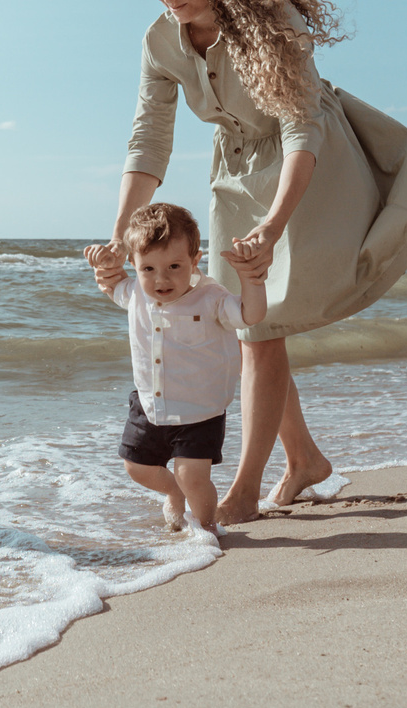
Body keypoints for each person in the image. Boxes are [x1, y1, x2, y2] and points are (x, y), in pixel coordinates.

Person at [110, 0, 407, 525]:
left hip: (312, 166)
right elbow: (149, 140)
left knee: (258, 328)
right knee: (250, 324)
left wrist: (273, 226)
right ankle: (304, 460)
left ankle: (244, 491)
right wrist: (119, 233)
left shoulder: (274, 20)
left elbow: (303, 129)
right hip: (235, 171)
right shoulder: (160, 42)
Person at [84, 202, 271, 534]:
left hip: (199, 411)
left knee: (192, 476)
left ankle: (207, 528)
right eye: (148, 269)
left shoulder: (211, 297)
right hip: (150, 403)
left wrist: (251, 279)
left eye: (174, 266)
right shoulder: (135, 293)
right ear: (134, 264)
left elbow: (250, 315)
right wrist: (106, 262)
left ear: (195, 261)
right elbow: (112, 283)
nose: (162, 279)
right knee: (136, 467)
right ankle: (174, 492)